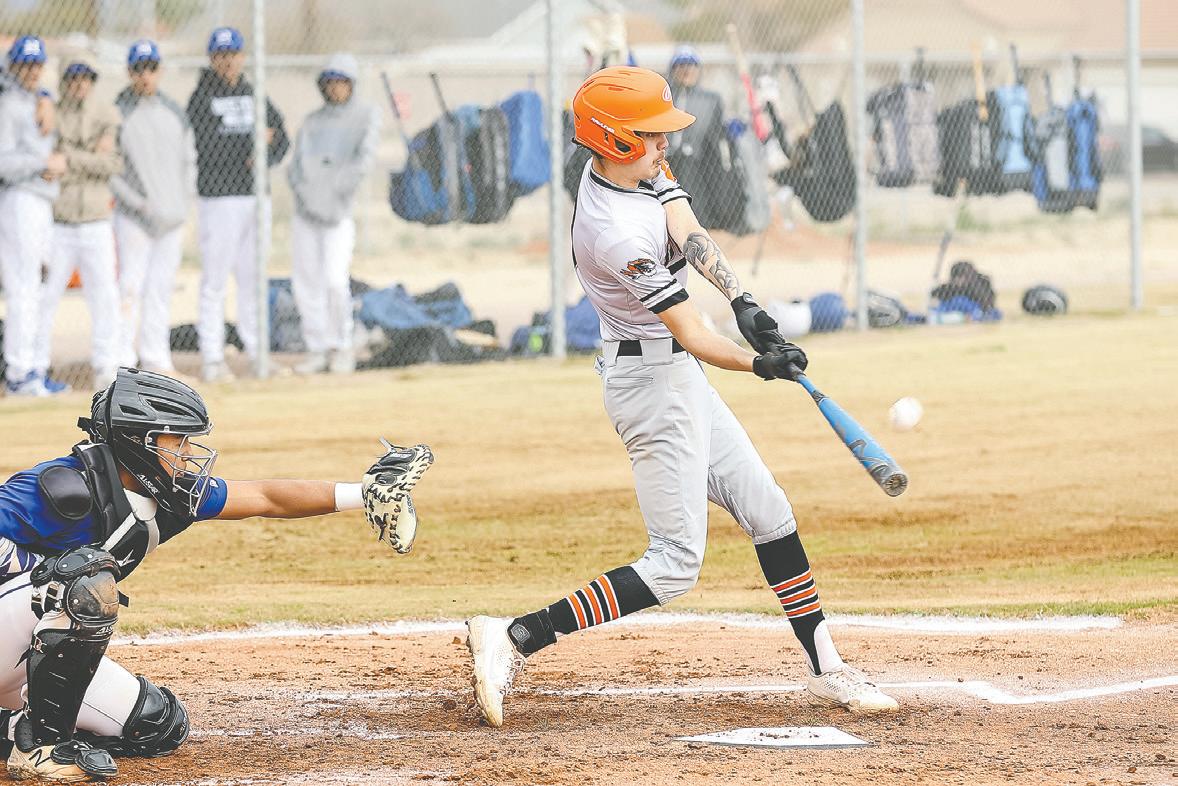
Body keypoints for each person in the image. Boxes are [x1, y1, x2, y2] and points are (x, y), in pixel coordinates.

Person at [465, 67, 898, 728]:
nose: (665, 144)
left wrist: (743, 300)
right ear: (613, 140)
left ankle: (826, 669)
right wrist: (760, 364)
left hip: (677, 375)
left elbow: (684, 223)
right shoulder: (614, 231)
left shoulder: (632, 171)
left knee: (769, 510)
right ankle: (515, 636)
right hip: (650, 387)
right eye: (650, 134)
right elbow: (692, 334)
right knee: (673, 564)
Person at [0, 367, 433, 781]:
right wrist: (35, 572)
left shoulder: (165, 493)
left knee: (156, 724)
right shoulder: (60, 488)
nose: (188, 453)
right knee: (82, 582)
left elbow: (265, 497)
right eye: (177, 440)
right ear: (137, 441)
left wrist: (364, 493)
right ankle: (43, 748)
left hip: (21, 656)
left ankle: (12, 726)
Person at [186, 27, 289, 383]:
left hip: (256, 196)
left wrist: (264, 155)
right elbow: (207, 147)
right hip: (220, 199)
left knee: (253, 279)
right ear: (212, 59)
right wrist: (253, 144)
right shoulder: (201, 98)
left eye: (233, 55)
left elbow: (281, 137)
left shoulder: (252, 93)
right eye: (221, 55)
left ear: (242, 57)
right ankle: (213, 357)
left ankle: (257, 353)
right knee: (215, 280)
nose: (228, 61)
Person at [34, 54, 123, 392]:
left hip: (97, 220)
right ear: (64, 80)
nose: (79, 83)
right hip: (60, 220)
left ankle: (106, 367)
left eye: (85, 77)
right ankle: (36, 366)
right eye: (73, 77)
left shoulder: (106, 114)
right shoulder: (52, 114)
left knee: (105, 296)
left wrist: (70, 158)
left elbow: (111, 164)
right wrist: (90, 158)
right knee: (47, 296)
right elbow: (47, 165)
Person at [286, 52, 379, 375]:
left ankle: (341, 345)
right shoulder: (313, 122)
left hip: (337, 213)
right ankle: (317, 347)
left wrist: (333, 190)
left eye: (342, 82)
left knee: (334, 282)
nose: (336, 88)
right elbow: (296, 169)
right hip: (306, 213)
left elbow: (362, 162)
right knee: (306, 283)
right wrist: (307, 194)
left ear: (352, 85)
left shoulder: (365, 116)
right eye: (330, 82)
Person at [111, 40, 197, 376]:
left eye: (151, 68)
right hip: (135, 217)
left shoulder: (174, 111)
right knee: (130, 287)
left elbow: (189, 161)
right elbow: (111, 169)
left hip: (171, 217)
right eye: (138, 69)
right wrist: (137, 203)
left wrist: (183, 202)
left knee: (160, 289)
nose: (145, 75)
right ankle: (122, 360)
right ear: (129, 72)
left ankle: (155, 357)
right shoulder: (118, 112)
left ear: (159, 71)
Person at [0, 36, 67, 397]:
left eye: (36, 64)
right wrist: (42, 163)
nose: (31, 70)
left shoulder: (37, 99)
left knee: (39, 286)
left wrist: (46, 97)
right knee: (22, 286)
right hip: (18, 200)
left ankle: (35, 369)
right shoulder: (8, 104)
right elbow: (3, 162)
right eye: (24, 64)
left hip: (41, 201)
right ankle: (18, 373)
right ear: (12, 65)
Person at [664, 45, 729, 230]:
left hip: (697, 161)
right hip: (667, 157)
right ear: (673, 69)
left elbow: (717, 133)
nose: (686, 70)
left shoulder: (709, 99)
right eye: (681, 65)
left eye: (691, 65)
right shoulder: (665, 97)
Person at [930, 260, 998, 316]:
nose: (959, 281)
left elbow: (988, 302)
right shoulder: (947, 289)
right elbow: (935, 295)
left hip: (975, 310)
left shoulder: (981, 284)